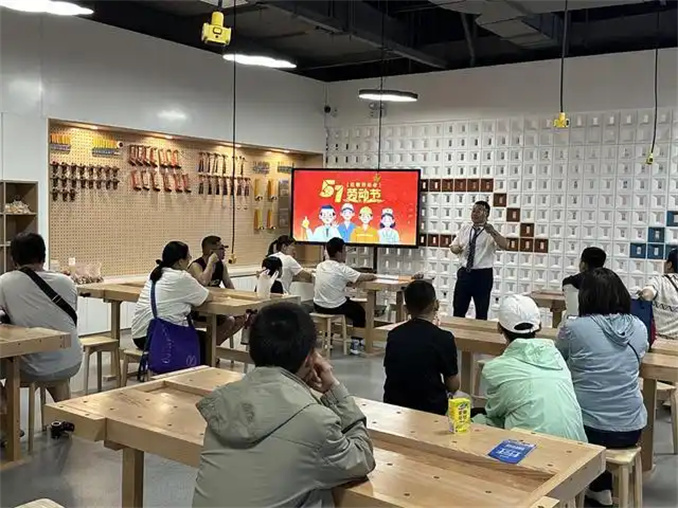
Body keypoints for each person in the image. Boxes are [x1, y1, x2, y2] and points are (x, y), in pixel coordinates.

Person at [192, 302, 375, 508]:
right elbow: (362, 458)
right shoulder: (315, 421)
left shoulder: (223, 403)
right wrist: (335, 390)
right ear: (310, 360)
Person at [556, 268, 648, 506]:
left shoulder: (574, 328)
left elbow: (558, 360)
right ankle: (601, 487)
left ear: (586, 296)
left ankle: (583, 487)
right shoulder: (639, 327)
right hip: (631, 427)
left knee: (570, 412)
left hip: (587, 427)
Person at [471, 295, 587, 442]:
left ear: (499, 328)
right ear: (539, 326)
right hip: (577, 443)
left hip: (533, 449)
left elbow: (495, 413)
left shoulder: (495, 369)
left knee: (475, 422)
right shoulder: (555, 356)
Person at [0, 233, 82, 438]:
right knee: (54, 366)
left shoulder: (5, 281)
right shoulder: (67, 282)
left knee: (17, 364)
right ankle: (66, 416)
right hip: (71, 360)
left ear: (13, 259)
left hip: (32, 366)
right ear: (43, 256)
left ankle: (8, 424)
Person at [383, 280, 459, 415]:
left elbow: (391, 371)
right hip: (431, 408)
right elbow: (453, 385)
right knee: (464, 398)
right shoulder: (443, 338)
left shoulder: (394, 334)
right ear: (436, 304)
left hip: (394, 404)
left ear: (406, 309)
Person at [131, 241, 210, 351]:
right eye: (188, 257)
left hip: (140, 336)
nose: (190, 259)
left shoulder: (155, 273)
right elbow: (206, 297)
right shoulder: (181, 277)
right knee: (205, 339)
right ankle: (196, 363)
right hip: (160, 337)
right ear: (180, 262)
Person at [314, 238, 376, 355]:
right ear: (339, 252)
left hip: (318, 305)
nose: (346, 253)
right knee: (359, 311)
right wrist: (373, 275)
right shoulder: (342, 268)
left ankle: (328, 341)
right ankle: (355, 343)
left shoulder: (320, 266)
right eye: (345, 250)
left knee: (342, 301)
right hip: (335, 307)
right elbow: (363, 277)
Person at [450, 201, 508, 320]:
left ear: (487, 214)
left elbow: (505, 245)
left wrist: (492, 231)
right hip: (465, 273)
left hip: (483, 275)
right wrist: (456, 249)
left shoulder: (491, 232)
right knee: (458, 309)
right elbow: (453, 246)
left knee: (481, 311)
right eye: (473, 210)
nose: (475, 213)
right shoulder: (465, 228)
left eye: (479, 211)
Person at [188, 235, 245, 345]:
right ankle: (210, 349)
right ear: (211, 251)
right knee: (229, 320)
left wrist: (239, 302)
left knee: (241, 318)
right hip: (199, 309)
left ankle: (213, 347)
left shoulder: (221, 265)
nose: (224, 251)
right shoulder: (196, 265)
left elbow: (229, 285)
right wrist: (210, 262)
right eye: (221, 248)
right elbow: (203, 282)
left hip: (216, 306)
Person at [640, 248, 678, 339]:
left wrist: (641, 294)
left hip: (660, 339)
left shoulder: (659, 281)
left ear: (669, 265)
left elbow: (647, 295)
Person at [562, 247, 607, 319]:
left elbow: (574, 311)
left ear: (583, 264)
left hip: (574, 322)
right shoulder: (609, 282)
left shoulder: (569, 282)